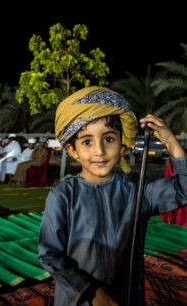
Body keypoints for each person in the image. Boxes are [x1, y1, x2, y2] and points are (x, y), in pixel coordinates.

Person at [38, 86, 187, 306]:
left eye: (108, 139)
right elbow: (50, 255)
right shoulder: (63, 196)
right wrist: (91, 292)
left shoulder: (139, 190)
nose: (99, 151)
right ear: (73, 151)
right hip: (79, 300)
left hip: (127, 296)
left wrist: (171, 142)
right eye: (87, 141)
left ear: (123, 144)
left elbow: (183, 189)